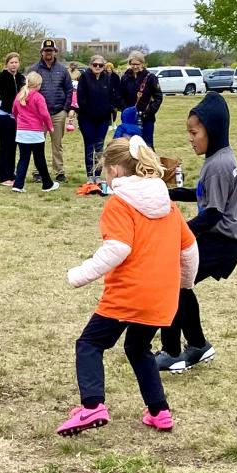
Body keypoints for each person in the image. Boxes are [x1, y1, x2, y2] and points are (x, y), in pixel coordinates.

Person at [58, 136, 197, 436]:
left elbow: (117, 249)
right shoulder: (168, 205)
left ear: (116, 172)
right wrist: (184, 285)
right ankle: (159, 412)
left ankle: (92, 405)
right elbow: (189, 250)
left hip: (129, 294)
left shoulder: (120, 204)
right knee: (138, 346)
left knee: (90, 344)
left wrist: (79, 275)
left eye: (106, 171)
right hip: (162, 296)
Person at [158, 93, 237, 373]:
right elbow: (201, 194)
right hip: (221, 238)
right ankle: (197, 345)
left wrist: (177, 232)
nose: (190, 138)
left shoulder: (219, 165)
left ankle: (174, 352)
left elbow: (212, 214)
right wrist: (166, 192)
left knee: (170, 282)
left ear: (212, 130)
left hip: (223, 241)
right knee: (179, 284)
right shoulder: (217, 158)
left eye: (193, 132)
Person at [29, 39, 74, 183]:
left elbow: (68, 90)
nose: (49, 53)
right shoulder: (33, 69)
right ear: (41, 52)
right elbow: (28, 91)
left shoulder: (62, 70)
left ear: (55, 52)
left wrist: (66, 109)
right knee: (37, 144)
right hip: (38, 115)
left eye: (51, 50)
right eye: (46, 50)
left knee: (57, 145)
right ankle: (38, 172)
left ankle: (59, 172)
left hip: (58, 112)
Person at [11, 71, 59, 193]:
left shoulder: (19, 96)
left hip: (21, 132)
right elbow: (44, 114)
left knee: (23, 158)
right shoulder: (38, 97)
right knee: (39, 158)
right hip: (35, 132)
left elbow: (14, 112)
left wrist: (19, 123)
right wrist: (50, 126)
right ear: (38, 85)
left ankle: (18, 184)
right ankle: (47, 183)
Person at [0, 53, 26, 187]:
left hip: (17, 116)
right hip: (4, 116)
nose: (14, 65)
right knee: (5, 146)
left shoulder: (20, 78)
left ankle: (11, 174)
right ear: (6, 64)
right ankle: (1, 176)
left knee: (14, 145)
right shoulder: (2, 77)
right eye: (11, 62)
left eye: (16, 62)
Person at [74, 55, 116, 183]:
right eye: (95, 65)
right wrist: (89, 112)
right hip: (87, 118)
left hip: (103, 119)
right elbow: (81, 98)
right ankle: (89, 175)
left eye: (100, 65)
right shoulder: (84, 78)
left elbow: (111, 96)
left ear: (104, 66)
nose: (98, 67)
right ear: (90, 65)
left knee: (99, 146)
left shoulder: (108, 78)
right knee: (89, 146)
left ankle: (97, 175)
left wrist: (110, 109)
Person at [116, 51, 163, 149]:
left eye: (137, 64)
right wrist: (126, 110)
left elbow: (158, 97)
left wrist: (149, 111)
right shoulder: (125, 78)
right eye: (132, 64)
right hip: (129, 118)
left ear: (142, 64)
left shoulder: (150, 77)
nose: (135, 66)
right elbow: (119, 96)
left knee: (147, 145)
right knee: (130, 146)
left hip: (146, 117)